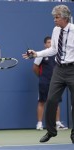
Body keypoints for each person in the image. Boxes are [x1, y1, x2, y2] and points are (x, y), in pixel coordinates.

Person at [22, 5, 74, 143]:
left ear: (65, 17)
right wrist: (36, 54)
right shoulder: (56, 30)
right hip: (59, 69)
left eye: (57, 17)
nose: (55, 20)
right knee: (50, 100)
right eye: (54, 17)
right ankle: (51, 131)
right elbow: (53, 50)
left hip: (72, 70)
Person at [33, 36, 68, 130]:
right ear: (45, 44)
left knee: (55, 102)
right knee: (42, 102)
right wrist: (42, 77)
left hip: (56, 82)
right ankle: (39, 124)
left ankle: (57, 123)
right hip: (44, 82)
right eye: (48, 42)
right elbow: (35, 68)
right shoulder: (41, 54)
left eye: (51, 42)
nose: (50, 44)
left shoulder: (58, 54)